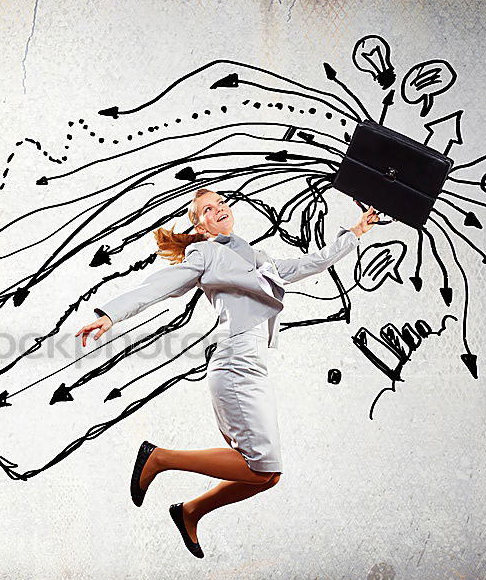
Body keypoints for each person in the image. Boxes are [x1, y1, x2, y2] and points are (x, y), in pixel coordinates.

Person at [75, 189, 379, 557]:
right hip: (235, 362)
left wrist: (355, 231)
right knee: (259, 465)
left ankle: (190, 511)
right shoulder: (205, 253)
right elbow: (160, 285)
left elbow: (308, 264)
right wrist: (110, 314)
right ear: (199, 225)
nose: (218, 209)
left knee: (267, 475)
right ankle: (159, 458)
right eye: (207, 209)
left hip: (253, 363)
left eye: (221, 203)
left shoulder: (256, 256)